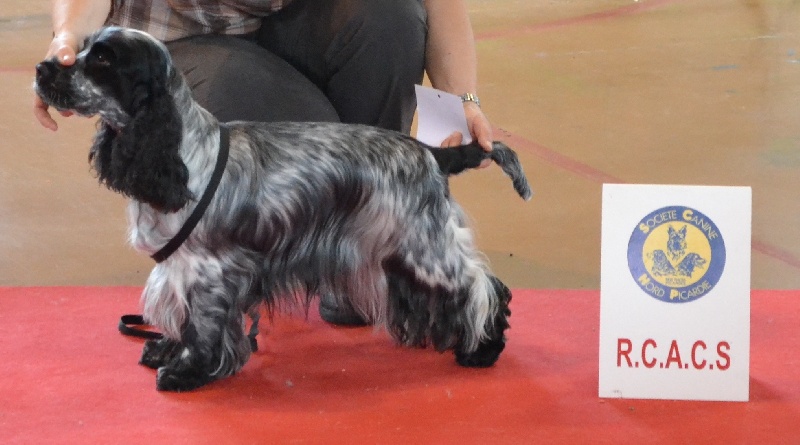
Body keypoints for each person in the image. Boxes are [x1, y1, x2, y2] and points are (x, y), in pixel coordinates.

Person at [34, 0, 495, 325]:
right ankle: (318, 254)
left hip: (296, 20)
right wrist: (68, 40)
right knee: (313, 154)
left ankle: (369, 251)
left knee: (390, 16)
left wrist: (456, 107)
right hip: (188, 39)